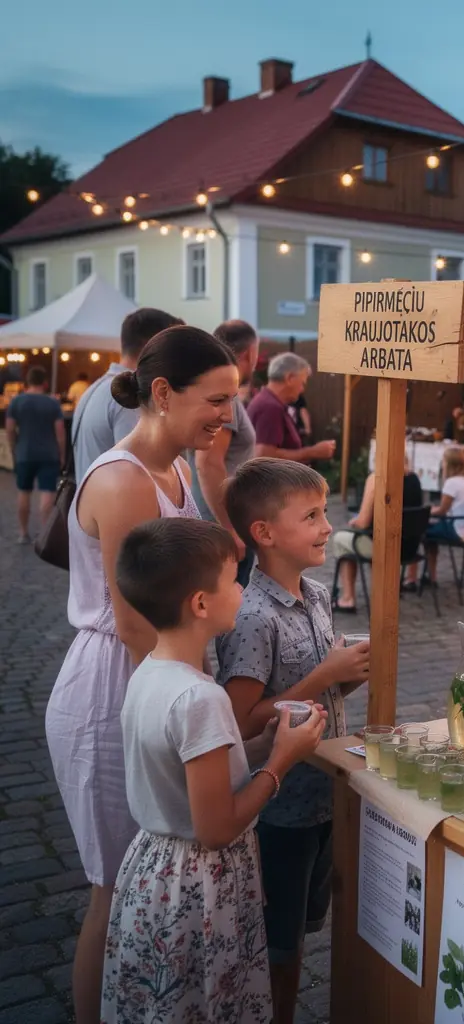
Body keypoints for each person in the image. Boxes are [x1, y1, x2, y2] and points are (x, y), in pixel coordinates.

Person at [45, 325, 237, 1024]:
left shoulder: (180, 467)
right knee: (113, 887)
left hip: (159, 677)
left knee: (141, 879)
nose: (227, 416)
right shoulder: (124, 479)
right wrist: (176, 713)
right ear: (162, 393)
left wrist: (214, 473)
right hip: (115, 689)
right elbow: (133, 625)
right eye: (215, 400)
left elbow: (221, 558)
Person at [102, 517, 326, 1023]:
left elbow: (194, 775)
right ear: (200, 604)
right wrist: (280, 762)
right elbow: (216, 828)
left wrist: (265, 740)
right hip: (198, 887)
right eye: (232, 580)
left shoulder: (149, 673)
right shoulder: (202, 698)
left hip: (152, 874)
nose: (243, 589)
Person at [218, 458, 371, 1024]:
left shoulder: (316, 595)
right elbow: (239, 724)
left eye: (324, 512)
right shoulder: (252, 617)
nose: (327, 527)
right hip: (278, 808)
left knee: (304, 928)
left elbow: (321, 702)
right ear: (265, 533)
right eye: (311, 516)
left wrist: (351, 674)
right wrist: (324, 676)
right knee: (276, 946)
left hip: (321, 794)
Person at [72, 307, 184, 474]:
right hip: (115, 498)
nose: (178, 355)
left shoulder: (96, 387)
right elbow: (138, 469)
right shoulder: (132, 393)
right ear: (152, 345)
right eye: (173, 345)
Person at [190, 319, 260, 585]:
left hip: (213, 522)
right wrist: (230, 529)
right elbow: (207, 462)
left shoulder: (206, 389)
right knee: (226, 618)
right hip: (221, 527)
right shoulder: (223, 396)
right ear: (249, 354)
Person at [331, 458, 423, 610]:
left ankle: (347, 599)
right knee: (375, 536)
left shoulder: (377, 479)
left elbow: (363, 522)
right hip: (409, 549)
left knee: (341, 539)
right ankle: (386, 590)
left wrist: (355, 521)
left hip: (383, 548)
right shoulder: (414, 479)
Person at [5, 365, 64, 544]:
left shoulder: (16, 402)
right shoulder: (53, 403)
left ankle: (23, 533)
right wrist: (62, 455)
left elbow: (9, 429)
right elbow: (60, 433)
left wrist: (14, 447)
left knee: (24, 492)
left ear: (27, 382)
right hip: (49, 454)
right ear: (45, 383)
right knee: (47, 493)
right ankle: (44, 534)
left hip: (25, 452)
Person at [248, 352, 335, 465]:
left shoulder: (268, 402)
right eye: (302, 383)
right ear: (289, 378)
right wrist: (313, 452)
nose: (302, 389)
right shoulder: (270, 407)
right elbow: (264, 456)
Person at [422, 447, 464, 583]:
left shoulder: (452, 483)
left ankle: (431, 576)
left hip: (459, 530)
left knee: (425, 532)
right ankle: (430, 576)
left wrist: (428, 511)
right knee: (432, 530)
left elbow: (442, 511)